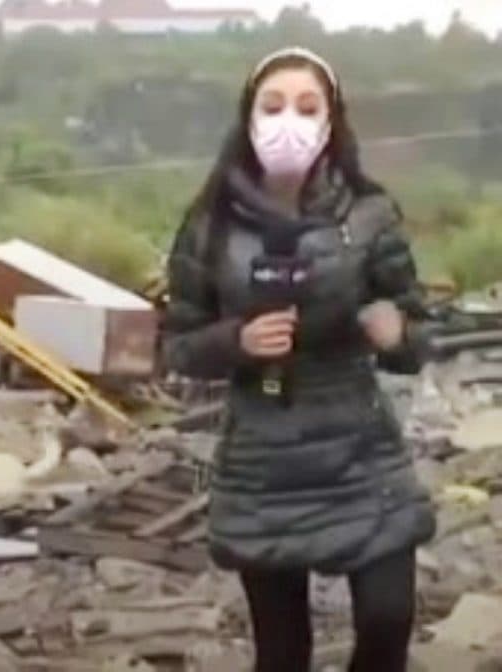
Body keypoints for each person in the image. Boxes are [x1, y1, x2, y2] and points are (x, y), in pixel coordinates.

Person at [161, 47, 435, 672]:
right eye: (274, 105)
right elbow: (178, 345)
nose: (290, 120)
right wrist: (237, 342)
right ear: (248, 116)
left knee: (388, 622)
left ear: (332, 121)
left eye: (308, 108)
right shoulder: (211, 226)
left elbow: (419, 334)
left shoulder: (369, 215)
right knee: (283, 652)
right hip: (264, 458)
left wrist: (395, 334)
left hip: (362, 451)